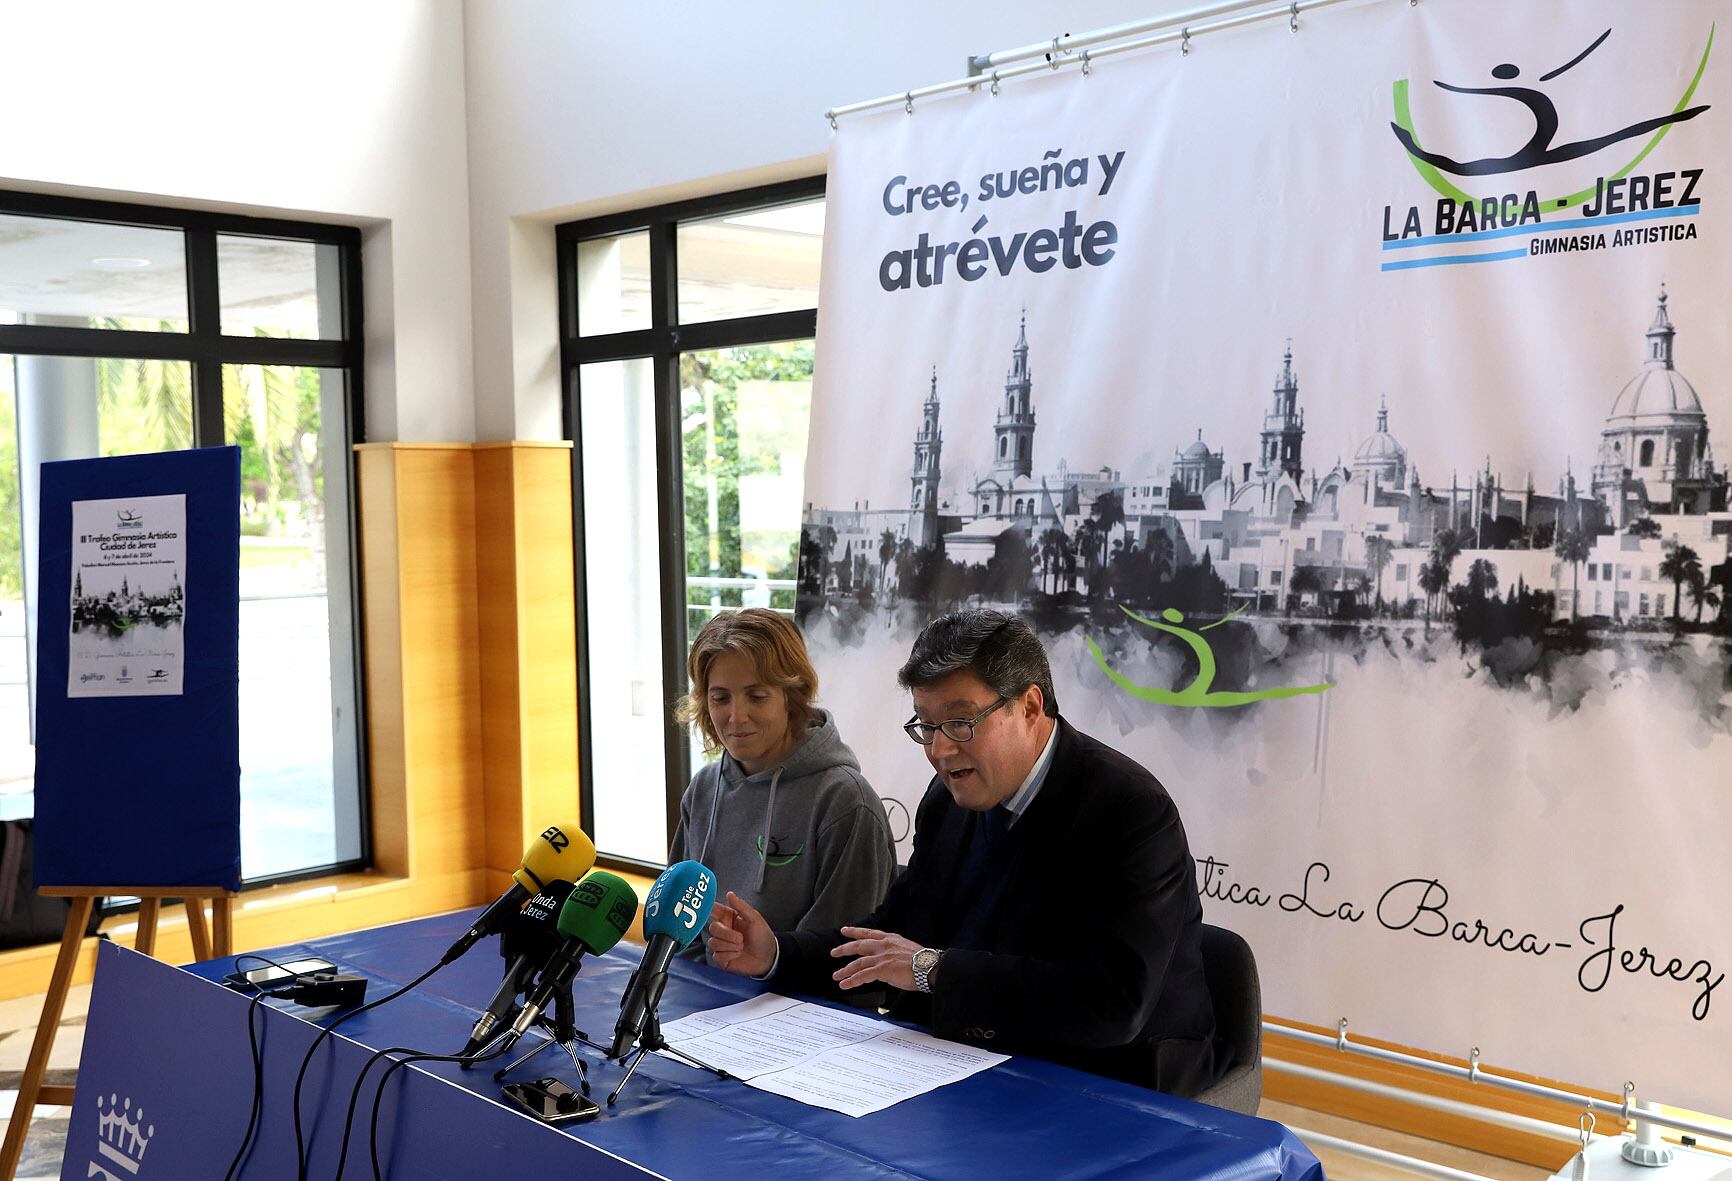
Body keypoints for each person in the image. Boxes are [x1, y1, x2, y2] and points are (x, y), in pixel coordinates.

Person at [706, 609, 1221, 1098]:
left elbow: (1111, 1004)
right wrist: (775, 952)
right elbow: (893, 934)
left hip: (1115, 1078)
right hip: (977, 1056)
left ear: (1030, 707)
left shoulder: (1129, 810)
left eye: (959, 722)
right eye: (925, 726)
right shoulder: (948, 800)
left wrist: (933, 970)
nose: (939, 750)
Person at [670, 608, 895, 965]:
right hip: (706, 1009)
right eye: (720, 698)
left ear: (793, 696)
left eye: (756, 696)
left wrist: (766, 964)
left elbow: (847, 961)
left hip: (804, 1014)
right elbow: (677, 934)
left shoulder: (845, 802)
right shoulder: (703, 790)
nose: (736, 716)